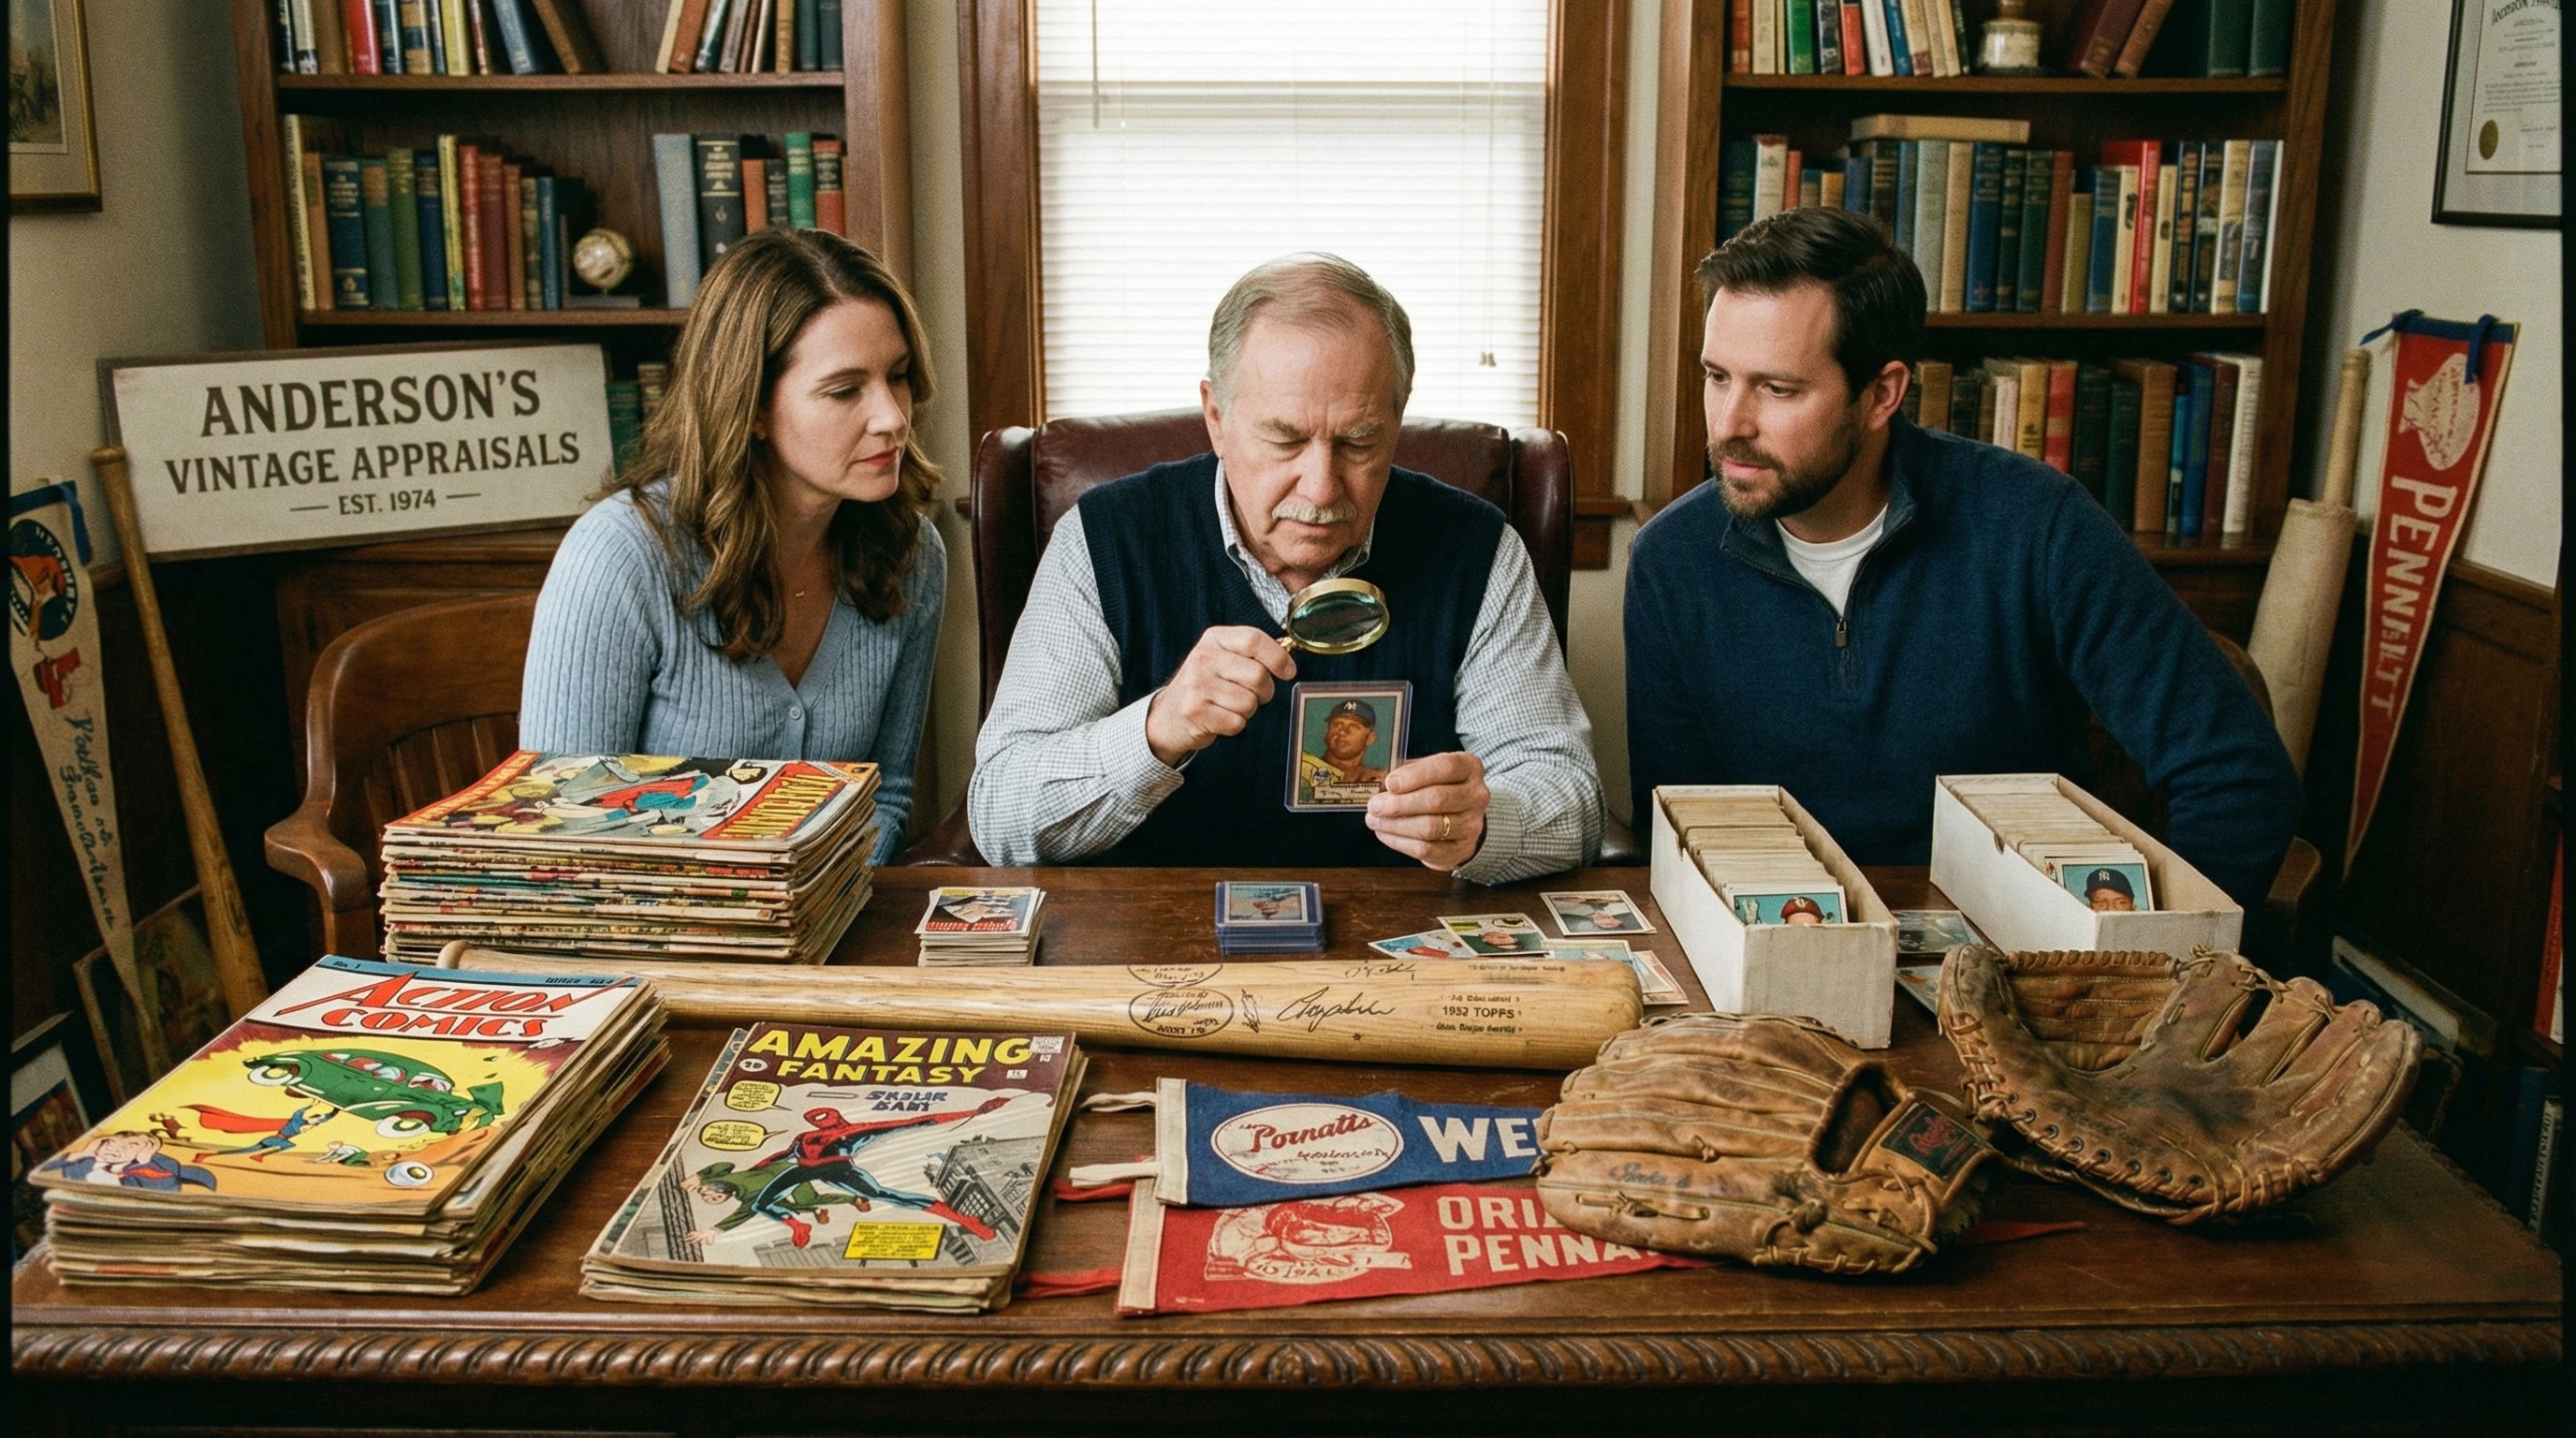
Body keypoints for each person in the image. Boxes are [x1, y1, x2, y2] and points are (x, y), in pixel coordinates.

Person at [1625, 209, 2301, 908]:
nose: (1730, 423)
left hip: (2022, 957)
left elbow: (2238, 777)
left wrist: (2150, 964)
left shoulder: (2036, 524)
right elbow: (1679, 840)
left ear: (1882, 393)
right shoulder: (1671, 562)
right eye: (1716, 376)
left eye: (1777, 389)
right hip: (1781, 954)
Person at [970, 254, 1602, 877]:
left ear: (1397, 421)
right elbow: (1001, 813)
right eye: (1284, 440)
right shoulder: (1104, 540)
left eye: (1358, 441)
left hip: (1394, 943)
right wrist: (1156, 731)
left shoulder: (1477, 550)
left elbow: (1574, 802)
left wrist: (1483, 826)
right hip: (1153, 941)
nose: (1322, 488)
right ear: (1216, 418)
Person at [520, 229, 946, 865]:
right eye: (844, 390)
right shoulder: (621, 557)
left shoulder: (912, 554)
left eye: (900, 376)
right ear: (750, 407)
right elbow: (562, 828)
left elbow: (883, 800)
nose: (891, 417)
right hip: (641, 943)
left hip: (826, 938)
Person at [1303, 698, 1389, 788]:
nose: (1343, 732)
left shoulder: (1379, 780)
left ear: (1370, 738)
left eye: (1354, 727)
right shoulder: (1303, 770)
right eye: (1337, 725)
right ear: (1325, 734)